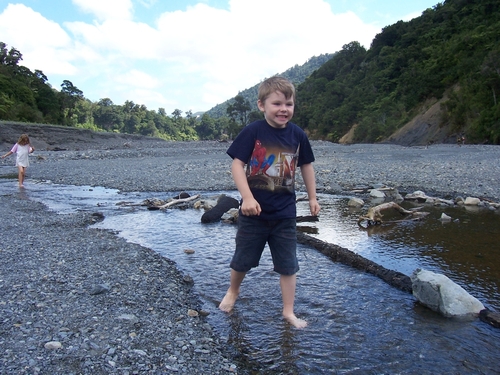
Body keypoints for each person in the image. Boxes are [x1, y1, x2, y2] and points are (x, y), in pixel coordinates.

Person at [219, 76, 321, 328]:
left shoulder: (298, 135)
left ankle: (288, 312)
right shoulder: (253, 131)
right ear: (262, 105)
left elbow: (306, 165)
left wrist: (313, 197)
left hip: (284, 213)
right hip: (253, 213)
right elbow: (237, 164)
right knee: (243, 259)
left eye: (289, 104)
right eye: (277, 104)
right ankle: (233, 291)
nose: (283, 109)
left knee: (288, 265)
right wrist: (248, 197)